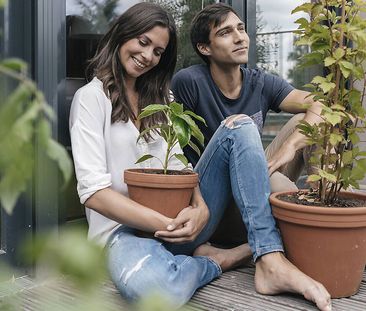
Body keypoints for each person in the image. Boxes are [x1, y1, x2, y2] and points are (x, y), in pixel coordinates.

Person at [69, 3, 331, 311]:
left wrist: (201, 207)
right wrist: (167, 223)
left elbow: (182, 165)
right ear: (121, 35)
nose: (148, 55)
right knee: (159, 292)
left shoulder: (161, 98)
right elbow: (94, 193)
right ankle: (220, 260)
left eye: (158, 51)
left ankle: (269, 259)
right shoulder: (91, 98)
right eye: (143, 42)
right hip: (123, 234)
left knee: (240, 125)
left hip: (181, 221)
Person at [171, 3, 322, 194]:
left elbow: (321, 104)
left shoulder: (261, 82)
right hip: (212, 189)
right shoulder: (190, 82)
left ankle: (326, 200)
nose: (239, 38)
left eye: (241, 29)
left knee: (307, 122)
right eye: (225, 33)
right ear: (204, 48)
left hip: (253, 170)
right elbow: (175, 148)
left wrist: (290, 146)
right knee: (281, 189)